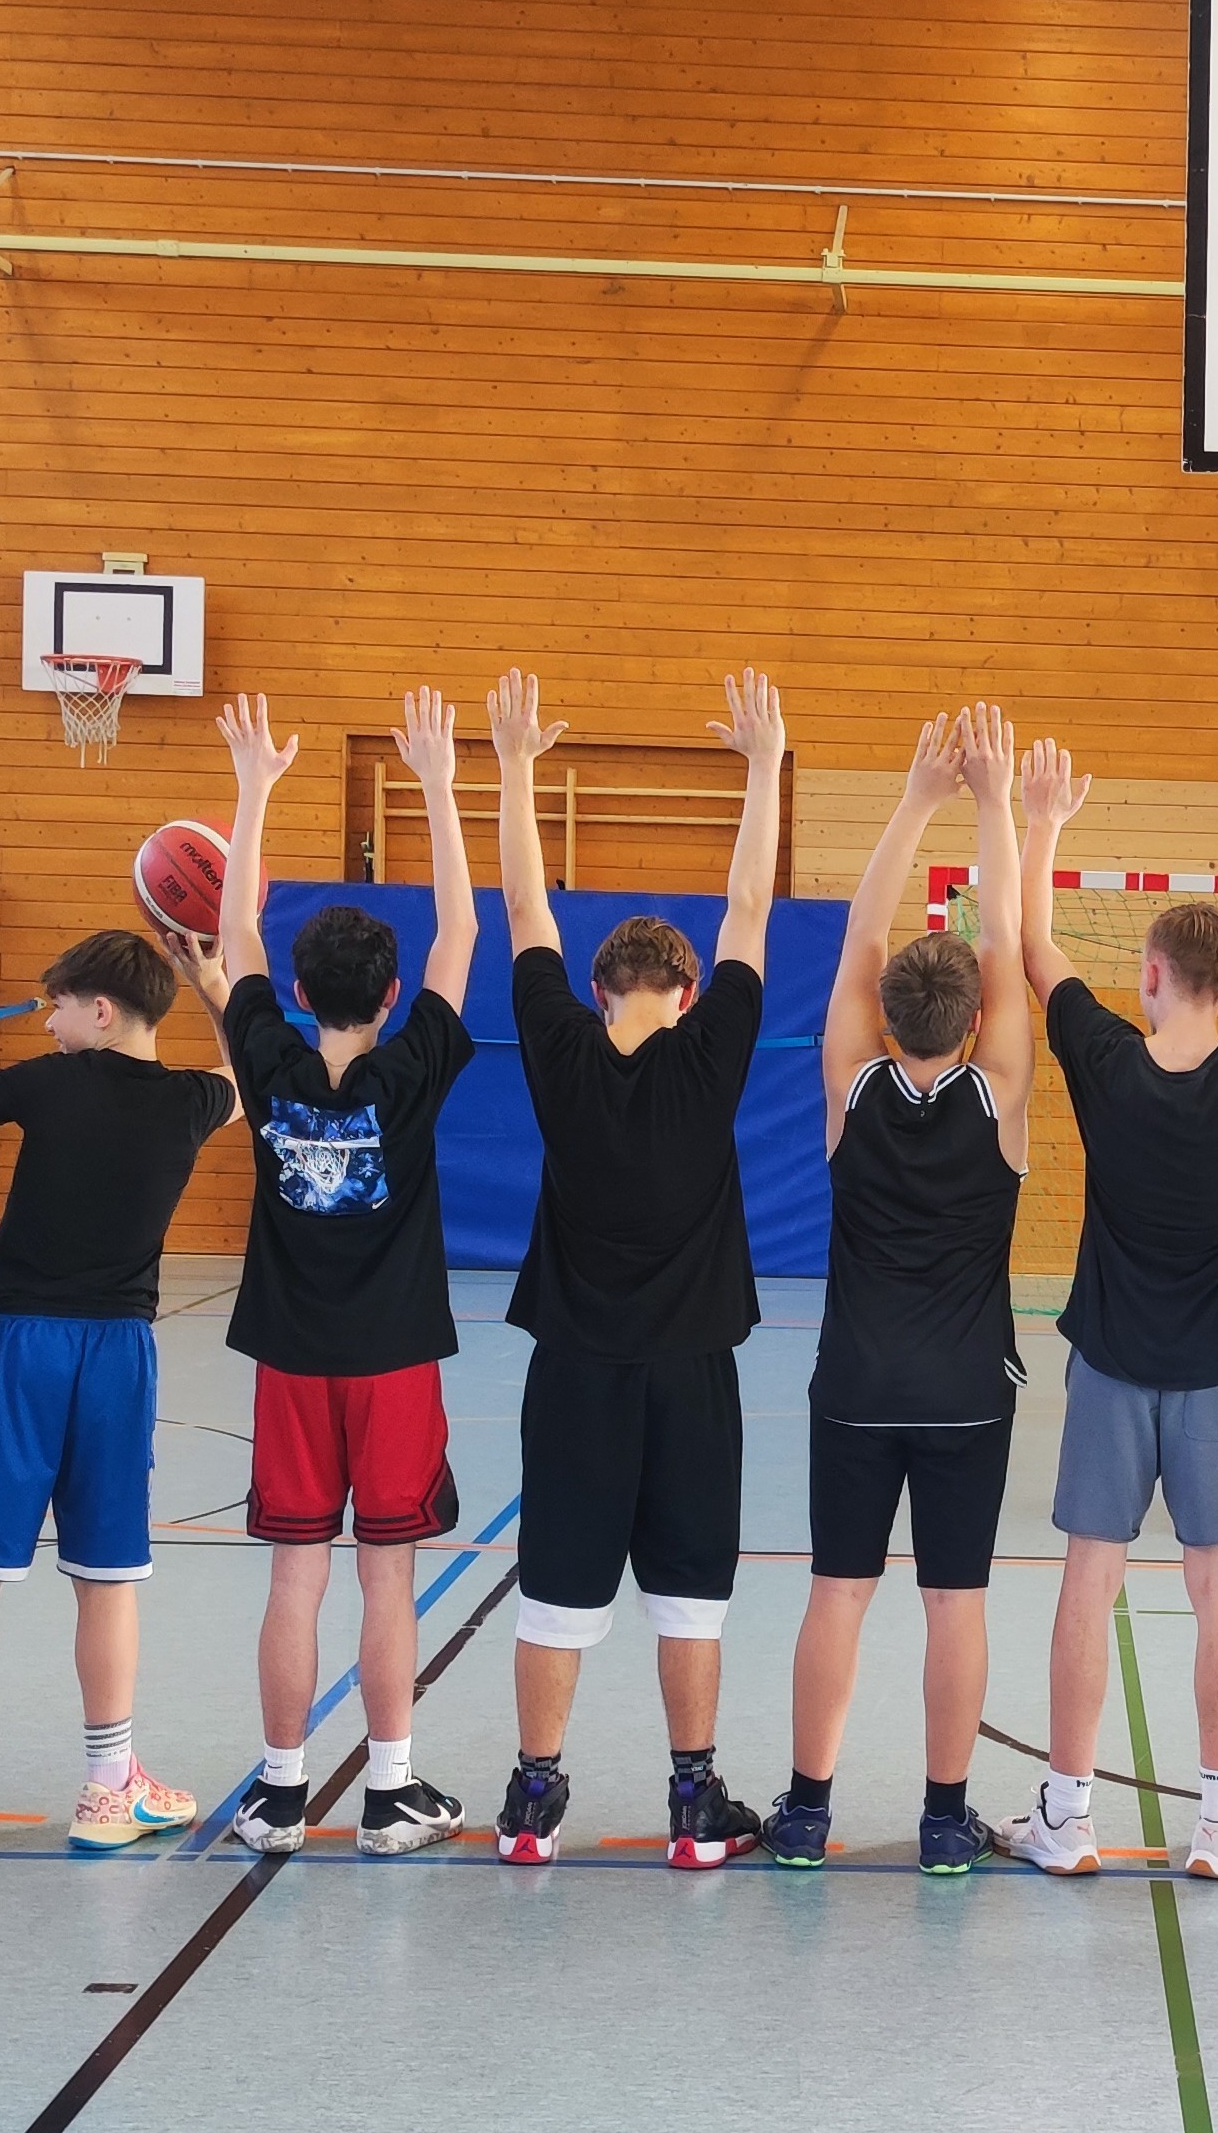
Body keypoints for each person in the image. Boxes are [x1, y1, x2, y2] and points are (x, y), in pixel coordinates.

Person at [991, 729, 1218, 1883]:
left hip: (1110, 1363)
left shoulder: (1105, 1059)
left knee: (1087, 1581)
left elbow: (1034, 947)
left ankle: (1066, 1813)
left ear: (1148, 975)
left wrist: (1040, 819)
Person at [490, 666, 787, 1870]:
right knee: (690, 1596)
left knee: (555, 1592)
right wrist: (763, 764)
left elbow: (525, 909)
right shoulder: (711, 1055)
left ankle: (532, 1803)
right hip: (690, 1370)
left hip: (576, 1367)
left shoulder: (560, 1049)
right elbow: (750, 905)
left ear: (598, 988)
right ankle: (694, 1804)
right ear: (685, 990)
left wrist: (515, 765)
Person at [201, 689, 478, 1859]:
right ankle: (390, 1790)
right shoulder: (410, 1070)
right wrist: (439, 785)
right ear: (393, 994)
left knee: (295, 1580)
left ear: (301, 993)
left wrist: (254, 788)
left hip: (292, 1359)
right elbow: (461, 933)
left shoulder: (265, 1055)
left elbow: (235, 937)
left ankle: (278, 1793)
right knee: (387, 1579)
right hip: (394, 1358)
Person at [0, 923, 229, 1852]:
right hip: (119, 1355)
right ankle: (108, 1789)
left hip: (19, 1348)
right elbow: (257, 1073)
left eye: (57, 1005)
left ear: (101, 1011)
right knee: (107, 1579)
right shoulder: (193, 1100)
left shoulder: (38, 1083)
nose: (46, 1021)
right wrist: (212, 982)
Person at [769, 706, 1036, 1878]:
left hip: (856, 1384)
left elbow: (858, 939)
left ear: (881, 1015)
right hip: (968, 1390)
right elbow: (1008, 939)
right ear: (976, 1022)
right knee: (953, 1602)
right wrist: (995, 800)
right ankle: (942, 1816)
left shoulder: (850, 1087)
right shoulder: (1002, 1093)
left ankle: (805, 1811)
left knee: (837, 1593)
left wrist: (920, 794)